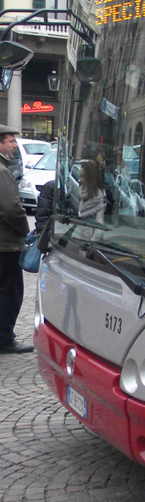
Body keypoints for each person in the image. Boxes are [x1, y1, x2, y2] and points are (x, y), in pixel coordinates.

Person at [0, 127, 32, 353]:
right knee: (11, 291)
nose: (14, 146)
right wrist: (24, 230)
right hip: (5, 244)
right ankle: (4, 338)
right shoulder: (2, 171)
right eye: (10, 141)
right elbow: (10, 208)